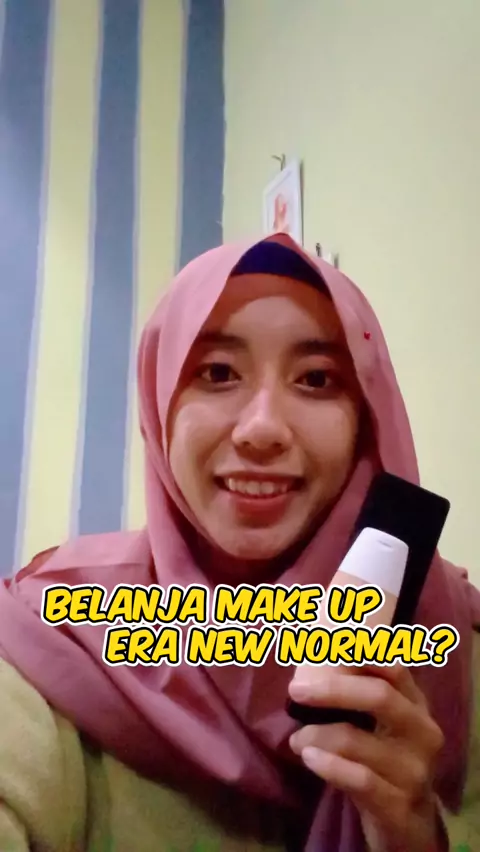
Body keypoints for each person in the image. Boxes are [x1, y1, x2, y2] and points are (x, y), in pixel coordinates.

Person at [0, 233, 478, 852]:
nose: (262, 429)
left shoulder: (452, 644)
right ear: (159, 404)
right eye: (218, 373)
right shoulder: (51, 636)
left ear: (366, 420)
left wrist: (416, 833)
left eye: (316, 379)